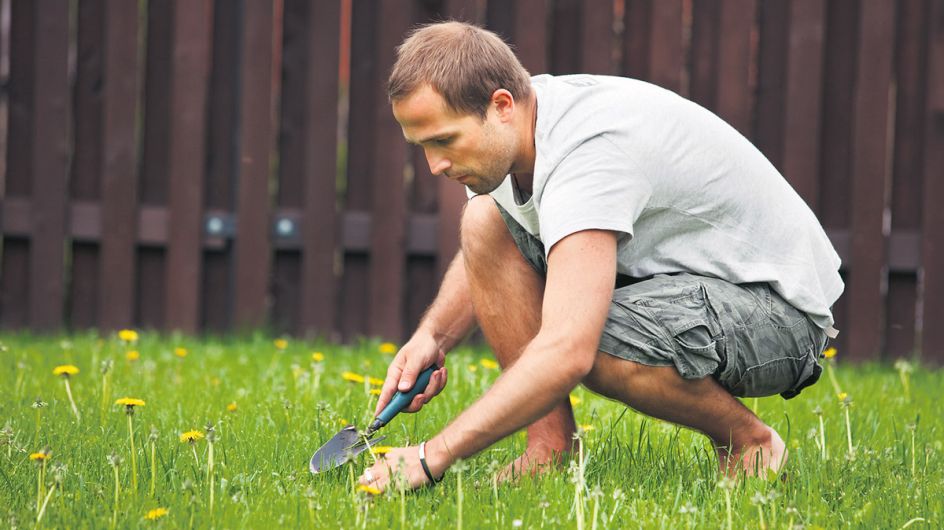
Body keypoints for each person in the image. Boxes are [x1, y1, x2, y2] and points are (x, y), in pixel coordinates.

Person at [358, 21, 843, 492]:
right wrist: (433, 337)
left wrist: (430, 457)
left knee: (598, 342)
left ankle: (751, 444)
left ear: (500, 105)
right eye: (422, 145)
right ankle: (549, 450)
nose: (435, 165)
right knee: (484, 220)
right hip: (682, 283)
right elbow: (492, 243)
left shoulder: (588, 156)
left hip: (779, 314)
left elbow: (567, 350)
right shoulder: (520, 128)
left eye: (444, 140)